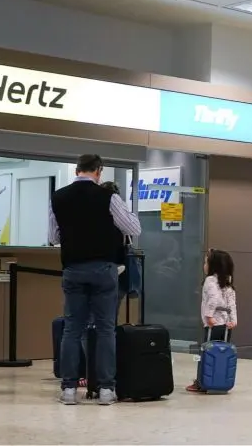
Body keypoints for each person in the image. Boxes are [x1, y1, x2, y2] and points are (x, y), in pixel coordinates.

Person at [49, 154, 142, 405]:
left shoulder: (58, 197)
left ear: (77, 170)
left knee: (72, 329)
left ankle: (69, 389)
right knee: (105, 330)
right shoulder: (108, 197)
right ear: (98, 171)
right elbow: (133, 229)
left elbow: (53, 236)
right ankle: (105, 389)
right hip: (103, 269)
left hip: (73, 269)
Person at [187, 248, 239, 392]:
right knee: (222, 352)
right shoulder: (227, 282)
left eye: (206, 262)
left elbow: (213, 299)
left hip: (212, 324)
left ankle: (201, 381)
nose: (204, 265)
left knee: (204, 352)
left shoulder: (210, 280)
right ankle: (220, 380)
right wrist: (234, 320)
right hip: (226, 325)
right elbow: (232, 303)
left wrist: (209, 316)